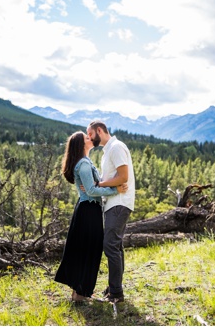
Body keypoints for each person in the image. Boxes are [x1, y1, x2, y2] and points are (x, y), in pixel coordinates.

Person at [55, 131, 127, 302]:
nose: (90, 139)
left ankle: (79, 292)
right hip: (89, 211)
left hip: (88, 210)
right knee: (89, 250)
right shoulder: (84, 165)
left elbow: (93, 187)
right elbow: (92, 190)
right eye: (87, 138)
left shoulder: (84, 162)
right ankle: (80, 293)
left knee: (85, 250)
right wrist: (114, 190)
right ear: (81, 144)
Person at [87, 120, 135, 303]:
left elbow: (123, 177)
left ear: (100, 130)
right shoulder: (108, 151)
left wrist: (99, 184)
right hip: (113, 203)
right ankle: (115, 288)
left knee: (110, 245)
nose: (90, 139)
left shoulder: (116, 147)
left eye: (90, 134)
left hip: (120, 202)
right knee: (116, 246)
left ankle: (116, 293)